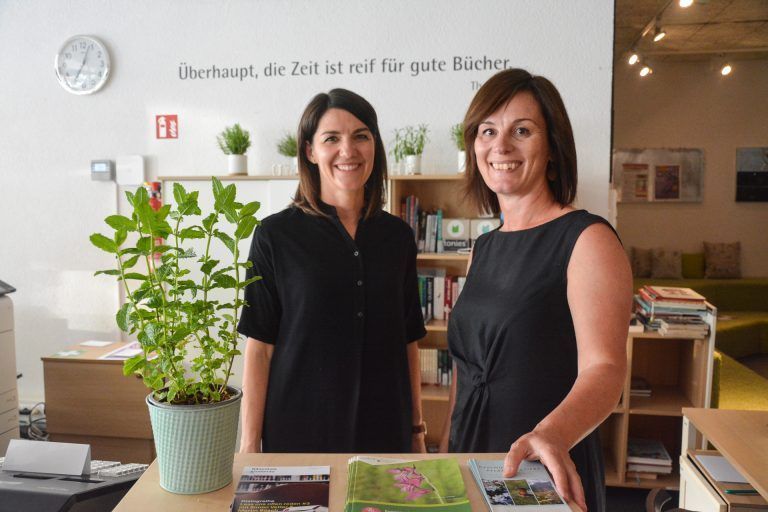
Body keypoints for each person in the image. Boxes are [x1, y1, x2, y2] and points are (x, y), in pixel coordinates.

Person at [441, 69, 632, 512]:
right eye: (488, 131)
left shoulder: (587, 238)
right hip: (471, 455)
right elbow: (467, 369)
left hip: (542, 466)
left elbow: (605, 369)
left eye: (522, 131)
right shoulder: (483, 247)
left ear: (552, 147)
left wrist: (552, 435)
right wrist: (446, 447)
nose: (501, 146)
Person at [237, 88, 427, 454]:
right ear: (310, 151)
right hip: (299, 434)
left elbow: (409, 340)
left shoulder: (398, 236)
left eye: (361, 136)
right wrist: (249, 445)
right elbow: (259, 348)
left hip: (385, 432)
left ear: (375, 146)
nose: (348, 150)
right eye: (332, 139)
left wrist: (417, 431)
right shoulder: (275, 235)